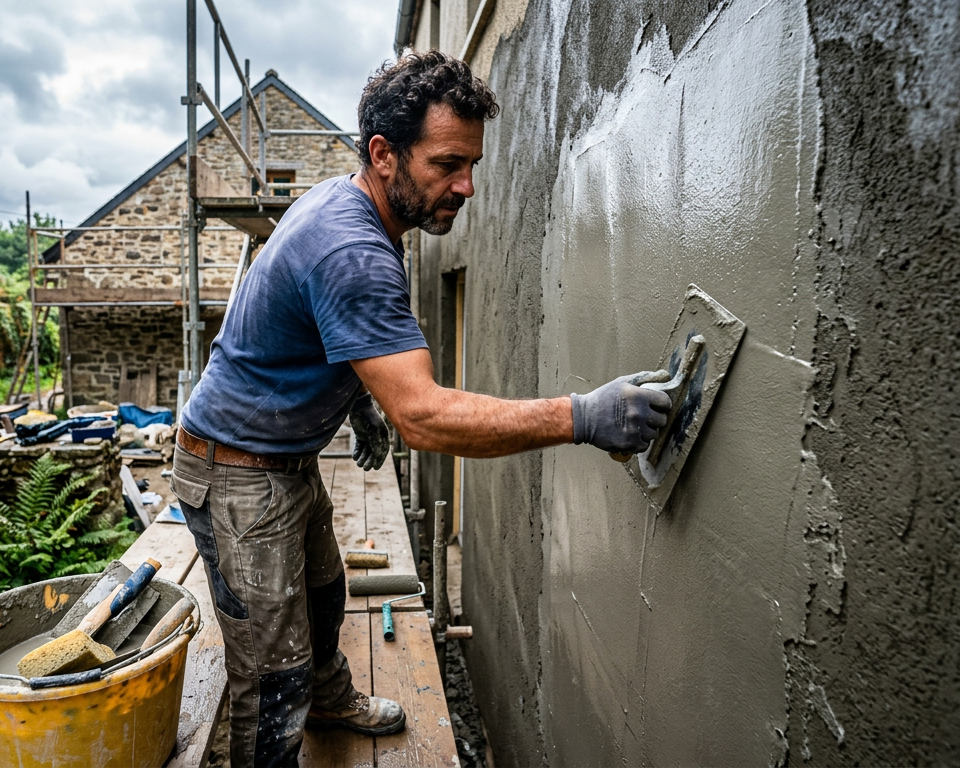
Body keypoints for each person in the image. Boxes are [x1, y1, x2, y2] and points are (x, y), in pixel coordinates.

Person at [172, 50, 671, 767]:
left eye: (470, 164)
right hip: (236, 475)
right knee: (272, 672)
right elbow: (426, 417)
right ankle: (288, 727)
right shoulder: (354, 248)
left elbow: (305, 330)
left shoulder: (348, 205)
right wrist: (582, 417)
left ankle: (331, 700)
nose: (465, 186)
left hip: (279, 456)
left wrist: (358, 405)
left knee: (322, 592)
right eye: (446, 164)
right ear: (384, 154)